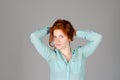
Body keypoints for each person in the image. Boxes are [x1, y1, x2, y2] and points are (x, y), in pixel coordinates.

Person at [30, 19, 102, 80]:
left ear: (69, 38)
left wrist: (74, 32)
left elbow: (97, 37)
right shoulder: (52, 56)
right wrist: (51, 29)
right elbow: (33, 36)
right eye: (55, 37)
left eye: (61, 36)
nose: (57, 41)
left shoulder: (81, 54)